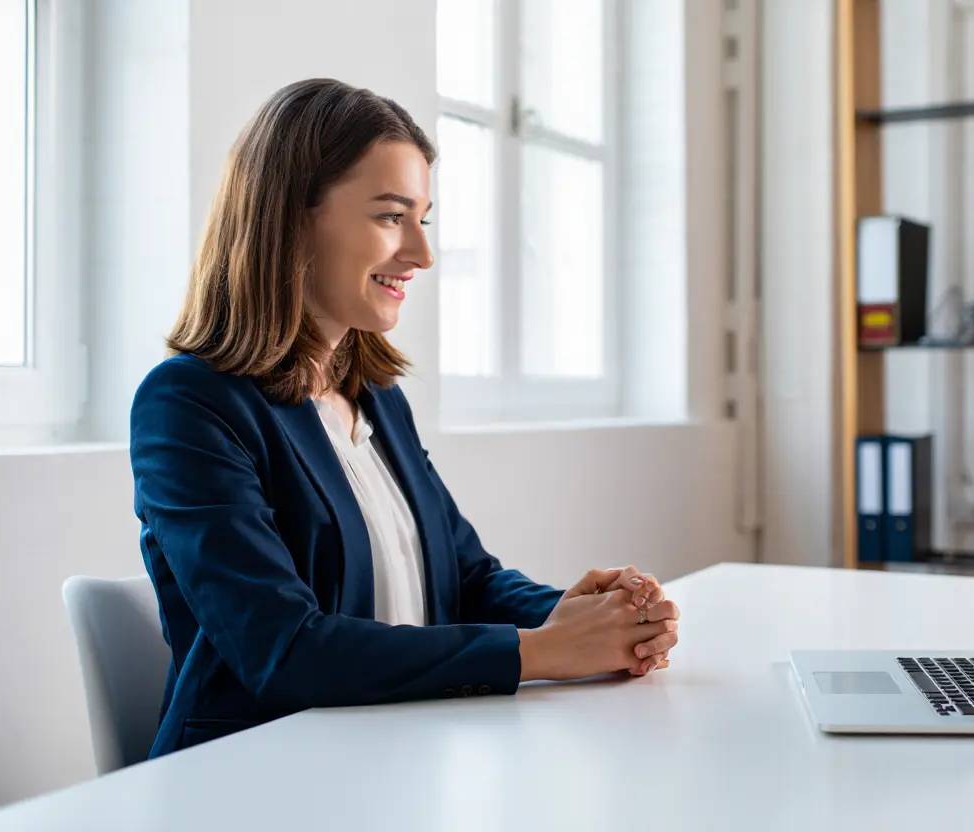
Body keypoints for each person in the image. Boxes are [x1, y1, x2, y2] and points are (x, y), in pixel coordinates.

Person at [129, 78, 680, 759]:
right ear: (290, 217)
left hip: (399, 753)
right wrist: (542, 651)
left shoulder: (377, 396)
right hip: (256, 772)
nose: (422, 254)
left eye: (424, 220)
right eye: (392, 216)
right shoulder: (188, 404)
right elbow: (281, 650)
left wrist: (581, 617)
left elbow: (465, 581)